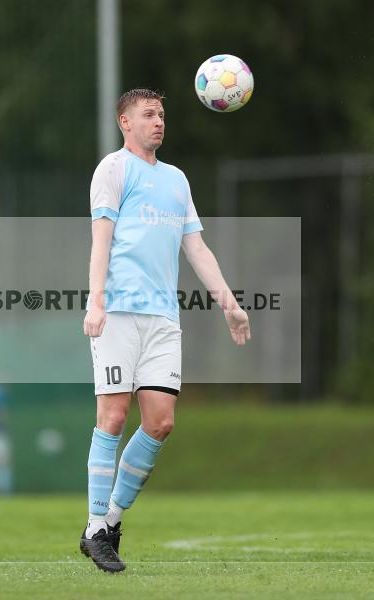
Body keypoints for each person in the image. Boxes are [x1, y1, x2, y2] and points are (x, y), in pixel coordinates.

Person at [79, 88, 251, 572]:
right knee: (112, 417)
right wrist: (95, 302)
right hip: (117, 313)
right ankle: (95, 526)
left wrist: (230, 305)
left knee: (160, 423)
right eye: (148, 115)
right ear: (124, 122)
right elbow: (102, 240)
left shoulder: (176, 179)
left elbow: (196, 248)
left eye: (161, 115)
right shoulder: (112, 170)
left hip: (163, 319)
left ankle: (107, 523)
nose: (158, 122)